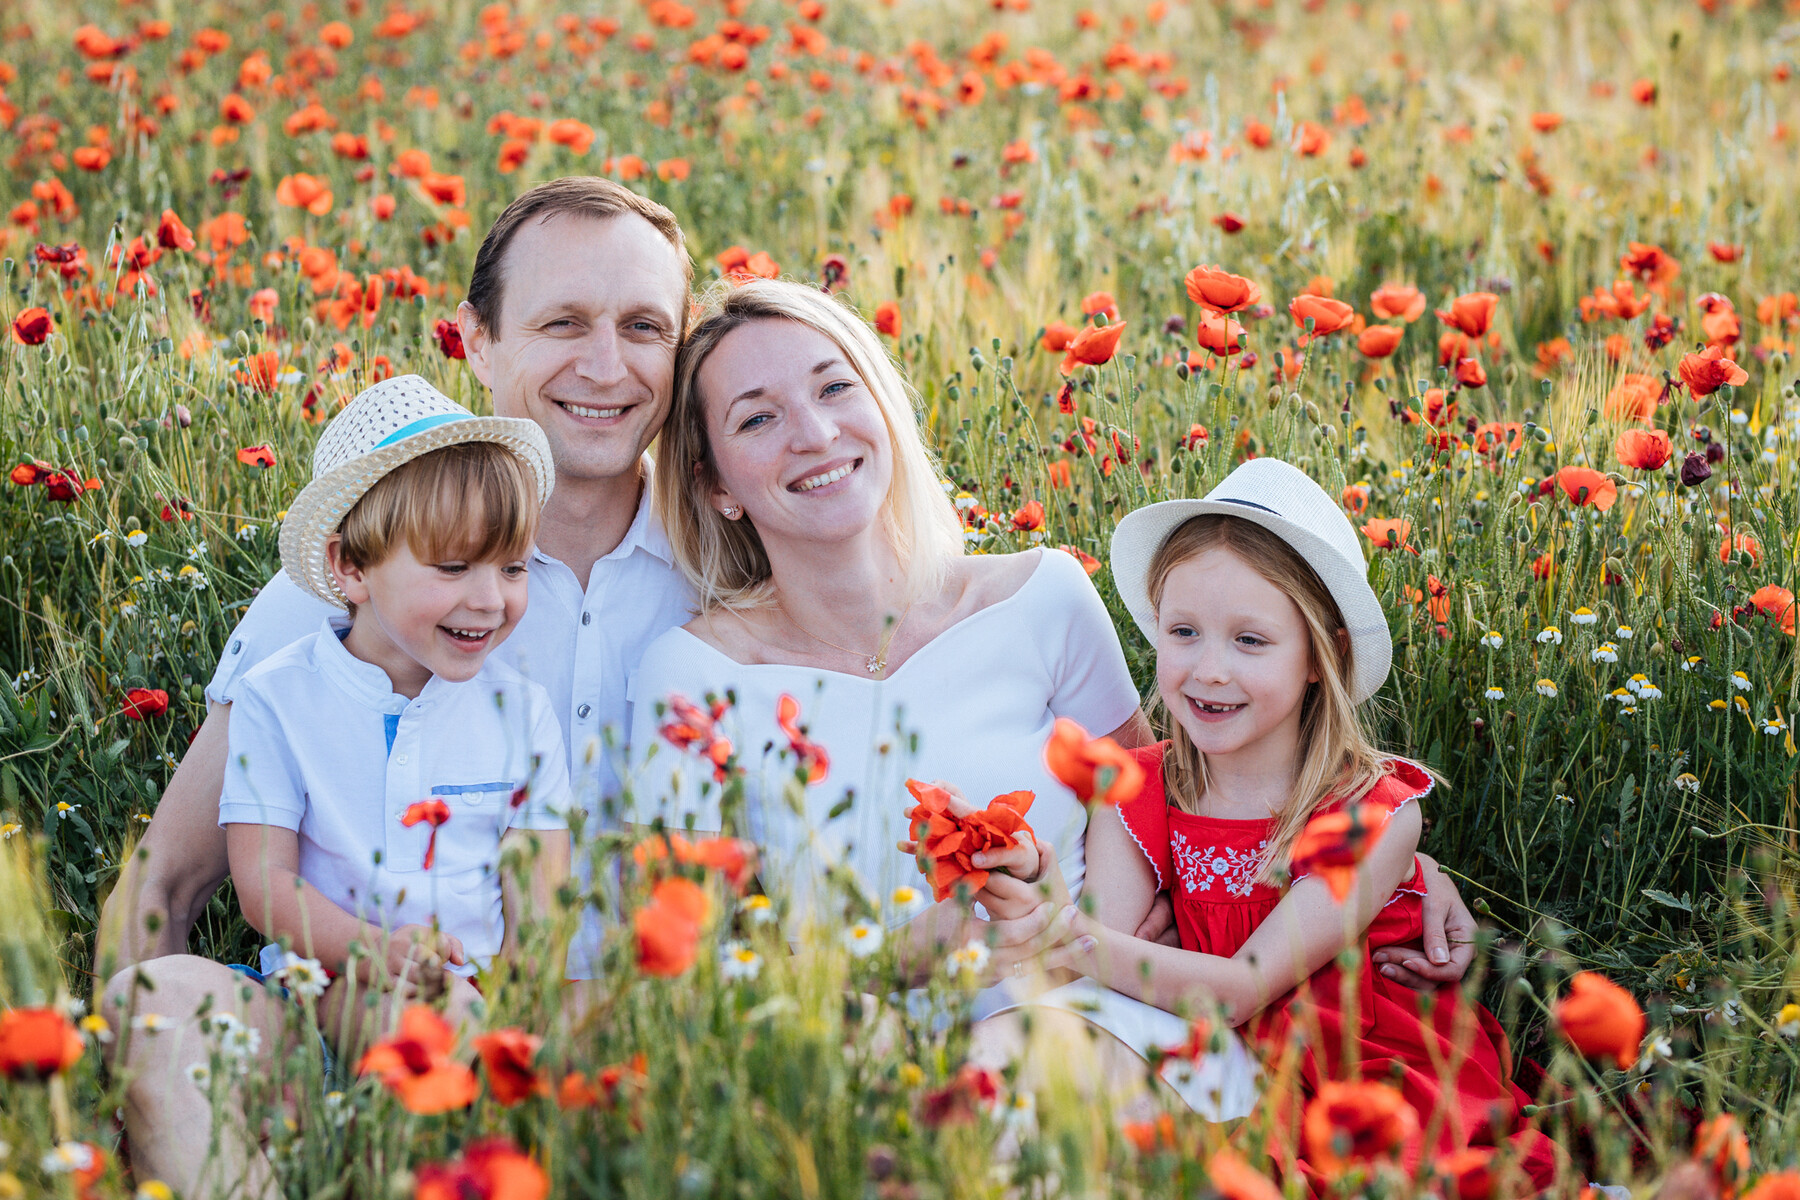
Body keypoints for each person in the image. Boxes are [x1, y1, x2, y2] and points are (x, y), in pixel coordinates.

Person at [627, 278, 1477, 1115]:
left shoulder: (1041, 597)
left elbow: (1185, 793)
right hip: (854, 1032)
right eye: (757, 417)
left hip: (1093, 1020)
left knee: (998, 1076)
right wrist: (928, 948)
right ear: (715, 488)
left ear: (881, 405)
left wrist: (1394, 868)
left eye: (834, 386)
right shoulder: (692, 677)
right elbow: (699, 966)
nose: (813, 432)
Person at [95, 177, 696, 1200]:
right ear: (475, 339)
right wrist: (108, 1090)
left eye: (645, 326)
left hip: (625, 1049)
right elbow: (166, 885)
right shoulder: (335, 605)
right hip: (344, 1007)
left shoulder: (727, 576)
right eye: (563, 323)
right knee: (162, 1007)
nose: (608, 365)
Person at [1024, 457, 1557, 1183]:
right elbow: (1106, 969)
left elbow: (1237, 984)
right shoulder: (1135, 792)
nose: (1209, 669)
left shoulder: (1370, 814)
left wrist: (1062, 933)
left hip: (1360, 1070)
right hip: (1216, 1052)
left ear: (1322, 654)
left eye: (1250, 640)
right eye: (1183, 632)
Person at [220, 377, 571, 1047]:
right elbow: (264, 881)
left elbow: (538, 900)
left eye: (513, 568)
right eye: (453, 566)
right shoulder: (278, 697)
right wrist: (374, 951)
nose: (490, 599)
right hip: (321, 987)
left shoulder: (521, 714)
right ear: (352, 568)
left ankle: (399, 1132)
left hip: (471, 994)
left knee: (451, 1027)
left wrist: (523, 1010)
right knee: (166, 1002)